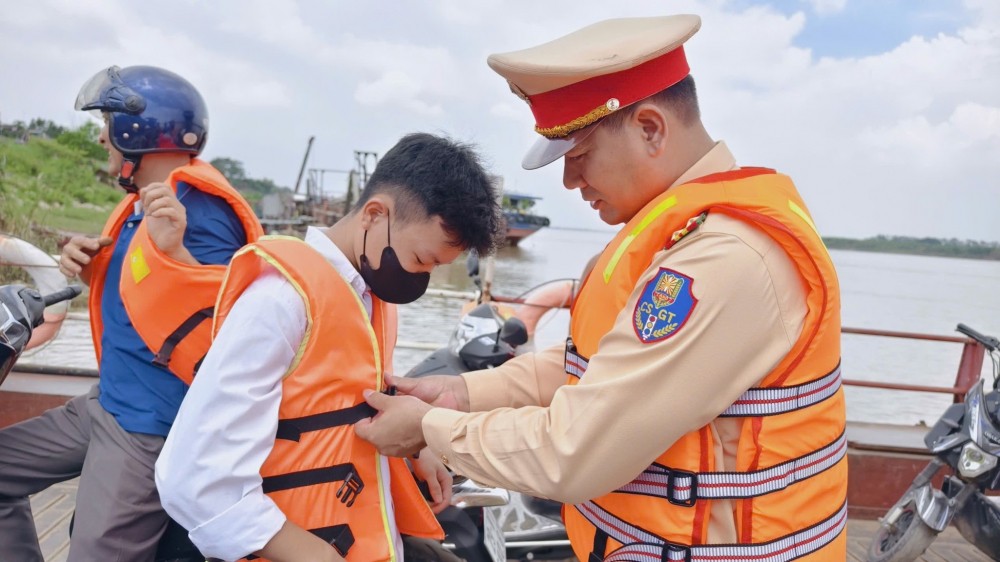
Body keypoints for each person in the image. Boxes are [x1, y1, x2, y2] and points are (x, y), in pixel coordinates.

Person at [355, 14, 848, 562]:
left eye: (579, 155)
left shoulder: (723, 258)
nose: (570, 181)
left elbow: (576, 450)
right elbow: (592, 366)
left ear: (651, 129)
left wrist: (431, 430)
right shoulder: (669, 238)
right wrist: (463, 394)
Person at [155, 132, 506, 562]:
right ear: (375, 215)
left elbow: (343, 401)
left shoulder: (370, 296)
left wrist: (420, 447)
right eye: (421, 260)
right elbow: (192, 477)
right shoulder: (279, 302)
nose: (421, 279)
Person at [0, 65, 262, 561]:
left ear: (137, 131)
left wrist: (181, 256)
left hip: (148, 423)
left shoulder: (201, 214)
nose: (101, 138)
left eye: (107, 125)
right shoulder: (148, 204)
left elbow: (228, 323)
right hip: (108, 400)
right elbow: (148, 291)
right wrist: (91, 265)